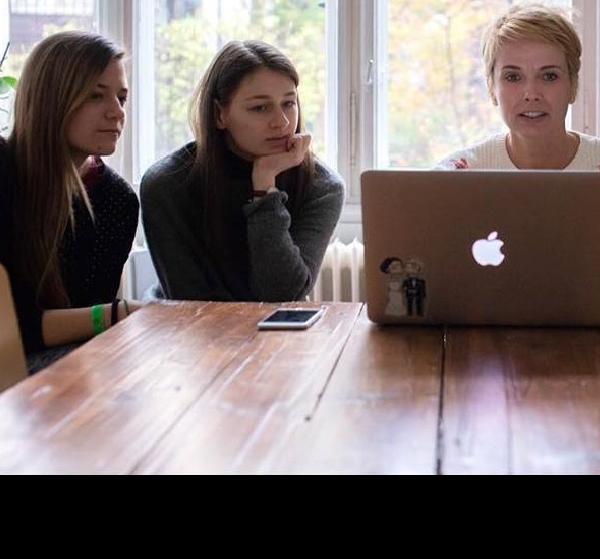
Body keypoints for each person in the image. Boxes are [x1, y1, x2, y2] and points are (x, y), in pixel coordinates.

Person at [436, 3, 600, 304]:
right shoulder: (451, 176)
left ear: (573, 86)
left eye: (549, 76)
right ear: (491, 88)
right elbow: (437, 283)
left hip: (590, 335)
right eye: (513, 77)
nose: (531, 93)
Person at [141, 41, 344, 301]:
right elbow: (190, 303)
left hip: (277, 326)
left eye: (288, 103)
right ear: (219, 114)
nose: (282, 122)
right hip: (189, 324)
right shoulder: (166, 184)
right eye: (260, 107)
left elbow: (284, 294)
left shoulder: (322, 186)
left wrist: (265, 188)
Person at [0, 31, 142, 374]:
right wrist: (118, 314)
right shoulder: (4, 171)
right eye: (95, 95)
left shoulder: (118, 200)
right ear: (51, 98)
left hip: (73, 365)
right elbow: (11, 327)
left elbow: (88, 325)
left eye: (122, 98)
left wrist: (111, 316)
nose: (117, 112)